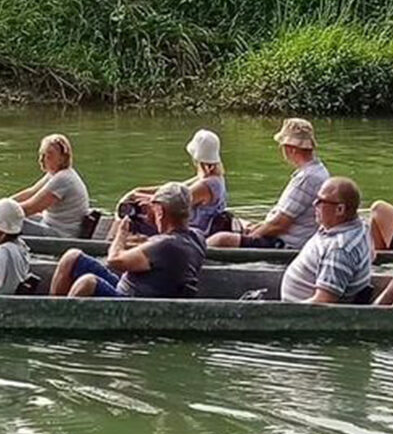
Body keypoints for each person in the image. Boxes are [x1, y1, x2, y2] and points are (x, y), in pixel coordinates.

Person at [51, 182, 208, 298]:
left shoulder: (164, 246)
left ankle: (58, 321)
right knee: (72, 257)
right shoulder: (197, 237)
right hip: (129, 288)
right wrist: (155, 215)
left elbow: (113, 260)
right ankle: (52, 308)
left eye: (154, 209)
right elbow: (163, 247)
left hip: (132, 302)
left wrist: (121, 233)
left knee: (88, 282)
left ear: (160, 211)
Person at [206, 118, 329, 250]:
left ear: (291, 149)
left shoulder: (307, 178)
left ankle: (196, 252)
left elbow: (279, 225)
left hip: (285, 243)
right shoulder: (316, 171)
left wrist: (253, 236)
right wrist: (257, 227)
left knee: (221, 239)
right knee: (230, 220)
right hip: (281, 234)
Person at [114, 129, 231, 238]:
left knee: (132, 223)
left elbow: (174, 202)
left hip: (193, 234)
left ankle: (111, 243)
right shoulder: (209, 178)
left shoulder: (207, 185)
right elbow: (172, 189)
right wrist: (138, 191)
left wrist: (146, 199)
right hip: (190, 229)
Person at [277, 177, 375, 304]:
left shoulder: (339, 250)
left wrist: (280, 311)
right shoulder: (358, 226)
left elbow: (323, 303)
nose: (314, 204)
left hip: (300, 318)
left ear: (340, 209)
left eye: (321, 201)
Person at [8, 134, 90, 238]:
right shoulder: (54, 174)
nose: (41, 159)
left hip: (61, 234)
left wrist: (3, 212)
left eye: (48, 155)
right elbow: (31, 192)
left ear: (62, 158)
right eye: (41, 154)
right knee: (6, 215)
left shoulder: (63, 179)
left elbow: (31, 208)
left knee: (7, 222)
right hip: (49, 225)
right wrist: (3, 203)